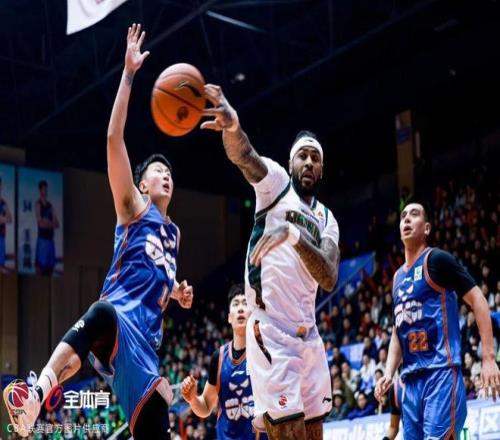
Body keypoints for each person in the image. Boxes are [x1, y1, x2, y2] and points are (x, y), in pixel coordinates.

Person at [3, 24, 193, 439]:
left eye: (170, 173)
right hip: (116, 318)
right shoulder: (132, 207)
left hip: (145, 348)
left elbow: (155, 279)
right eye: (158, 171)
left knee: (154, 429)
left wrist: (175, 291)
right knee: (102, 314)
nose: (166, 176)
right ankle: (35, 396)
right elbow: (112, 139)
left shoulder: (174, 235)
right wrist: (128, 74)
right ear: (142, 184)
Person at [201, 85, 340, 440]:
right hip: (271, 332)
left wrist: (293, 235)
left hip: (309, 335)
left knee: (314, 434)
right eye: (302, 156)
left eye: (315, 158)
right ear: (291, 163)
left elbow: (328, 277)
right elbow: (246, 156)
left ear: (322, 169)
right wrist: (232, 128)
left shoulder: (327, 220)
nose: (308, 162)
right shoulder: (277, 186)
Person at [375, 201, 500, 439]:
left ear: (427, 228)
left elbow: (478, 300)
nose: (406, 219)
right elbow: (398, 331)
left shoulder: (437, 260)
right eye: (403, 216)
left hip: (441, 375)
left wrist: (488, 358)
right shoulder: (397, 278)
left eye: (414, 214)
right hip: (410, 383)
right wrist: (389, 373)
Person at [181, 284, 267, 439]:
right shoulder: (219, 357)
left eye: (245, 303)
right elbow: (206, 406)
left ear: (253, 313)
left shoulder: (265, 351)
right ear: (229, 317)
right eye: (236, 304)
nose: (240, 309)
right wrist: (193, 399)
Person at [35, 180, 59, 275]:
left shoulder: (50, 206)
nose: (45, 191)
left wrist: (47, 222)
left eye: (46, 189)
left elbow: (57, 224)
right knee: (40, 268)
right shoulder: (38, 204)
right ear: (40, 190)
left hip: (50, 241)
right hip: (42, 240)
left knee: (50, 268)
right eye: (43, 189)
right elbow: (40, 224)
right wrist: (50, 223)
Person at [0, 176, 13, 271]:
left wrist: (2, 219)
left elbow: (10, 219)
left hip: (2, 236)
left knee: (2, 266)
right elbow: (6, 218)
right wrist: (5, 218)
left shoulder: (3, 203)